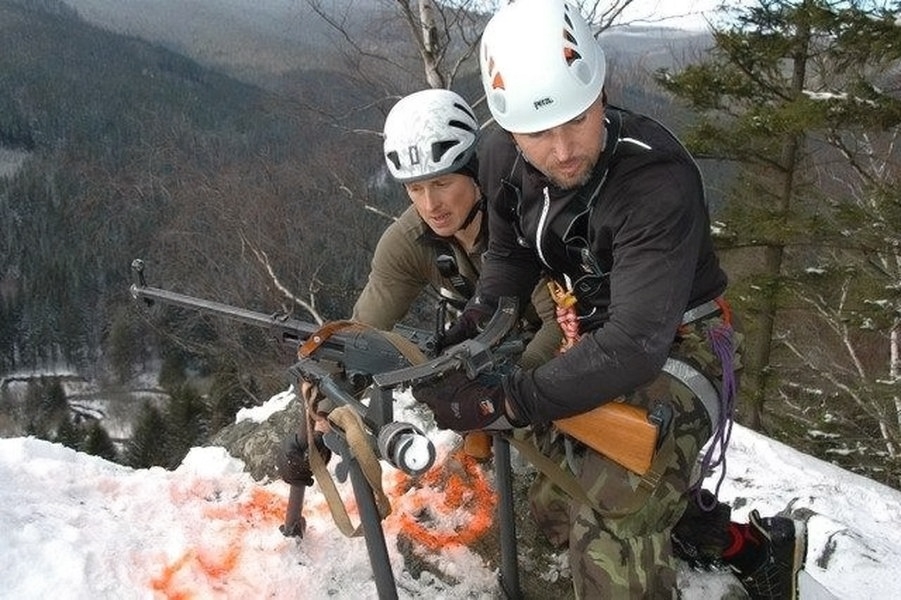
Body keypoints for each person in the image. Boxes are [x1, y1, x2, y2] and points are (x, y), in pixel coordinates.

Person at [411, 1, 806, 599]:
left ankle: (652, 528)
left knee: (609, 528)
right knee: (554, 505)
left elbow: (636, 345)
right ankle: (744, 546)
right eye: (540, 133)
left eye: (579, 118)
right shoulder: (502, 158)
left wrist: (505, 401)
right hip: (597, 338)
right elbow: (513, 254)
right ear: (510, 129)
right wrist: (478, 319)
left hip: (680, 344)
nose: (565, 148)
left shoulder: (652, 180)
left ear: (602, 93)